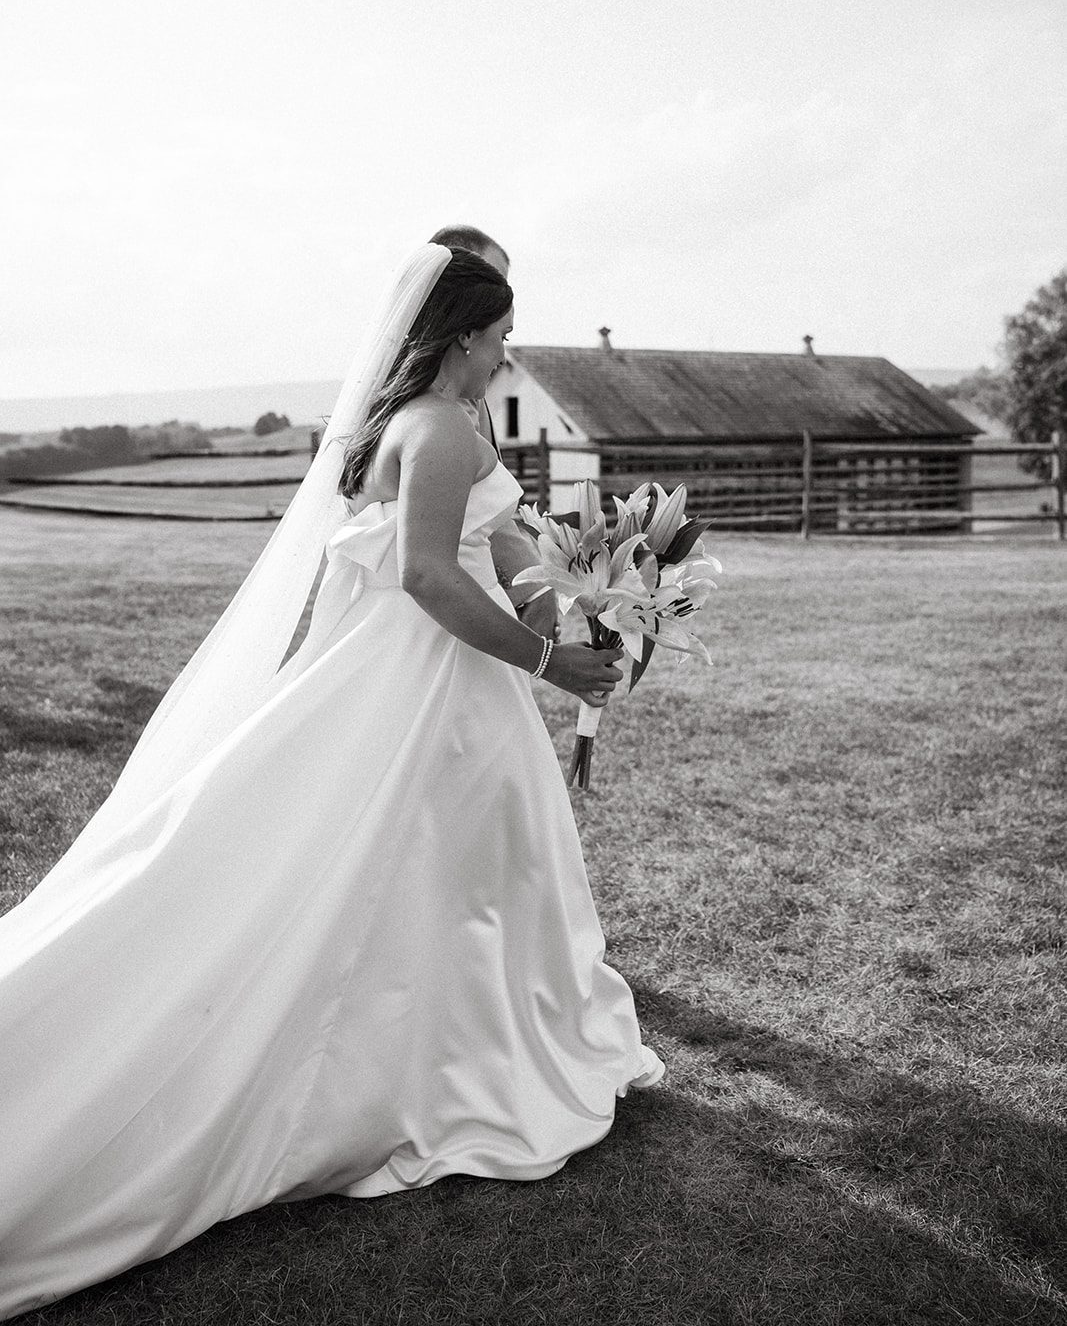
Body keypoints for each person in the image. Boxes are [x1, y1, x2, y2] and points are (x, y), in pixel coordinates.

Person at [0, 242, 663, 1320]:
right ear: (460, 336)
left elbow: (496, 564)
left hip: (443, 680)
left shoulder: (436, 421)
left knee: (468, 868)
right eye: (498, 334)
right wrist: (548, 663)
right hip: (421, 688)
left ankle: (455, 1043)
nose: (506, 352)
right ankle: (432, 1069)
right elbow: (423, 573)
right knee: (426, 863)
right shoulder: (438, 427)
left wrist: (588, 605)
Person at [428, 224, 560, 645]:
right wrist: (533, 586)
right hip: (449, 602)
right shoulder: (439, 414)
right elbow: (476, 510)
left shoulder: (462, 390)